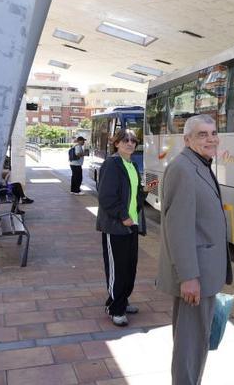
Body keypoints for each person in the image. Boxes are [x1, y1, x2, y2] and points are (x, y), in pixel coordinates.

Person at [157, 114, 232, 385]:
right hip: (195, 276)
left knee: (197, 341)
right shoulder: (182, 168)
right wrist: (188, 276)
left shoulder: (199, 163)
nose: (210, 138)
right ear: (187, 139)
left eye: (213, 133)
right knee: (191, 344)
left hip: (204, 272)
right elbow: (178, 228)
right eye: (202, 134)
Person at [96, 129, 146, 327]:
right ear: (116, 143)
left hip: (131, 225)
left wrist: (146, 191)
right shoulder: (112, 164)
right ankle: (114, 308)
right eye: (125, 140)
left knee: (129, 267)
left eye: (134, 140)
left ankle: (122, 301)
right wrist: (123, 216)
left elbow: (134, 196)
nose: (130, 143)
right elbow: (106, 196)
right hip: (117, 226)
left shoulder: (132, 165)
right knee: (117, 268)